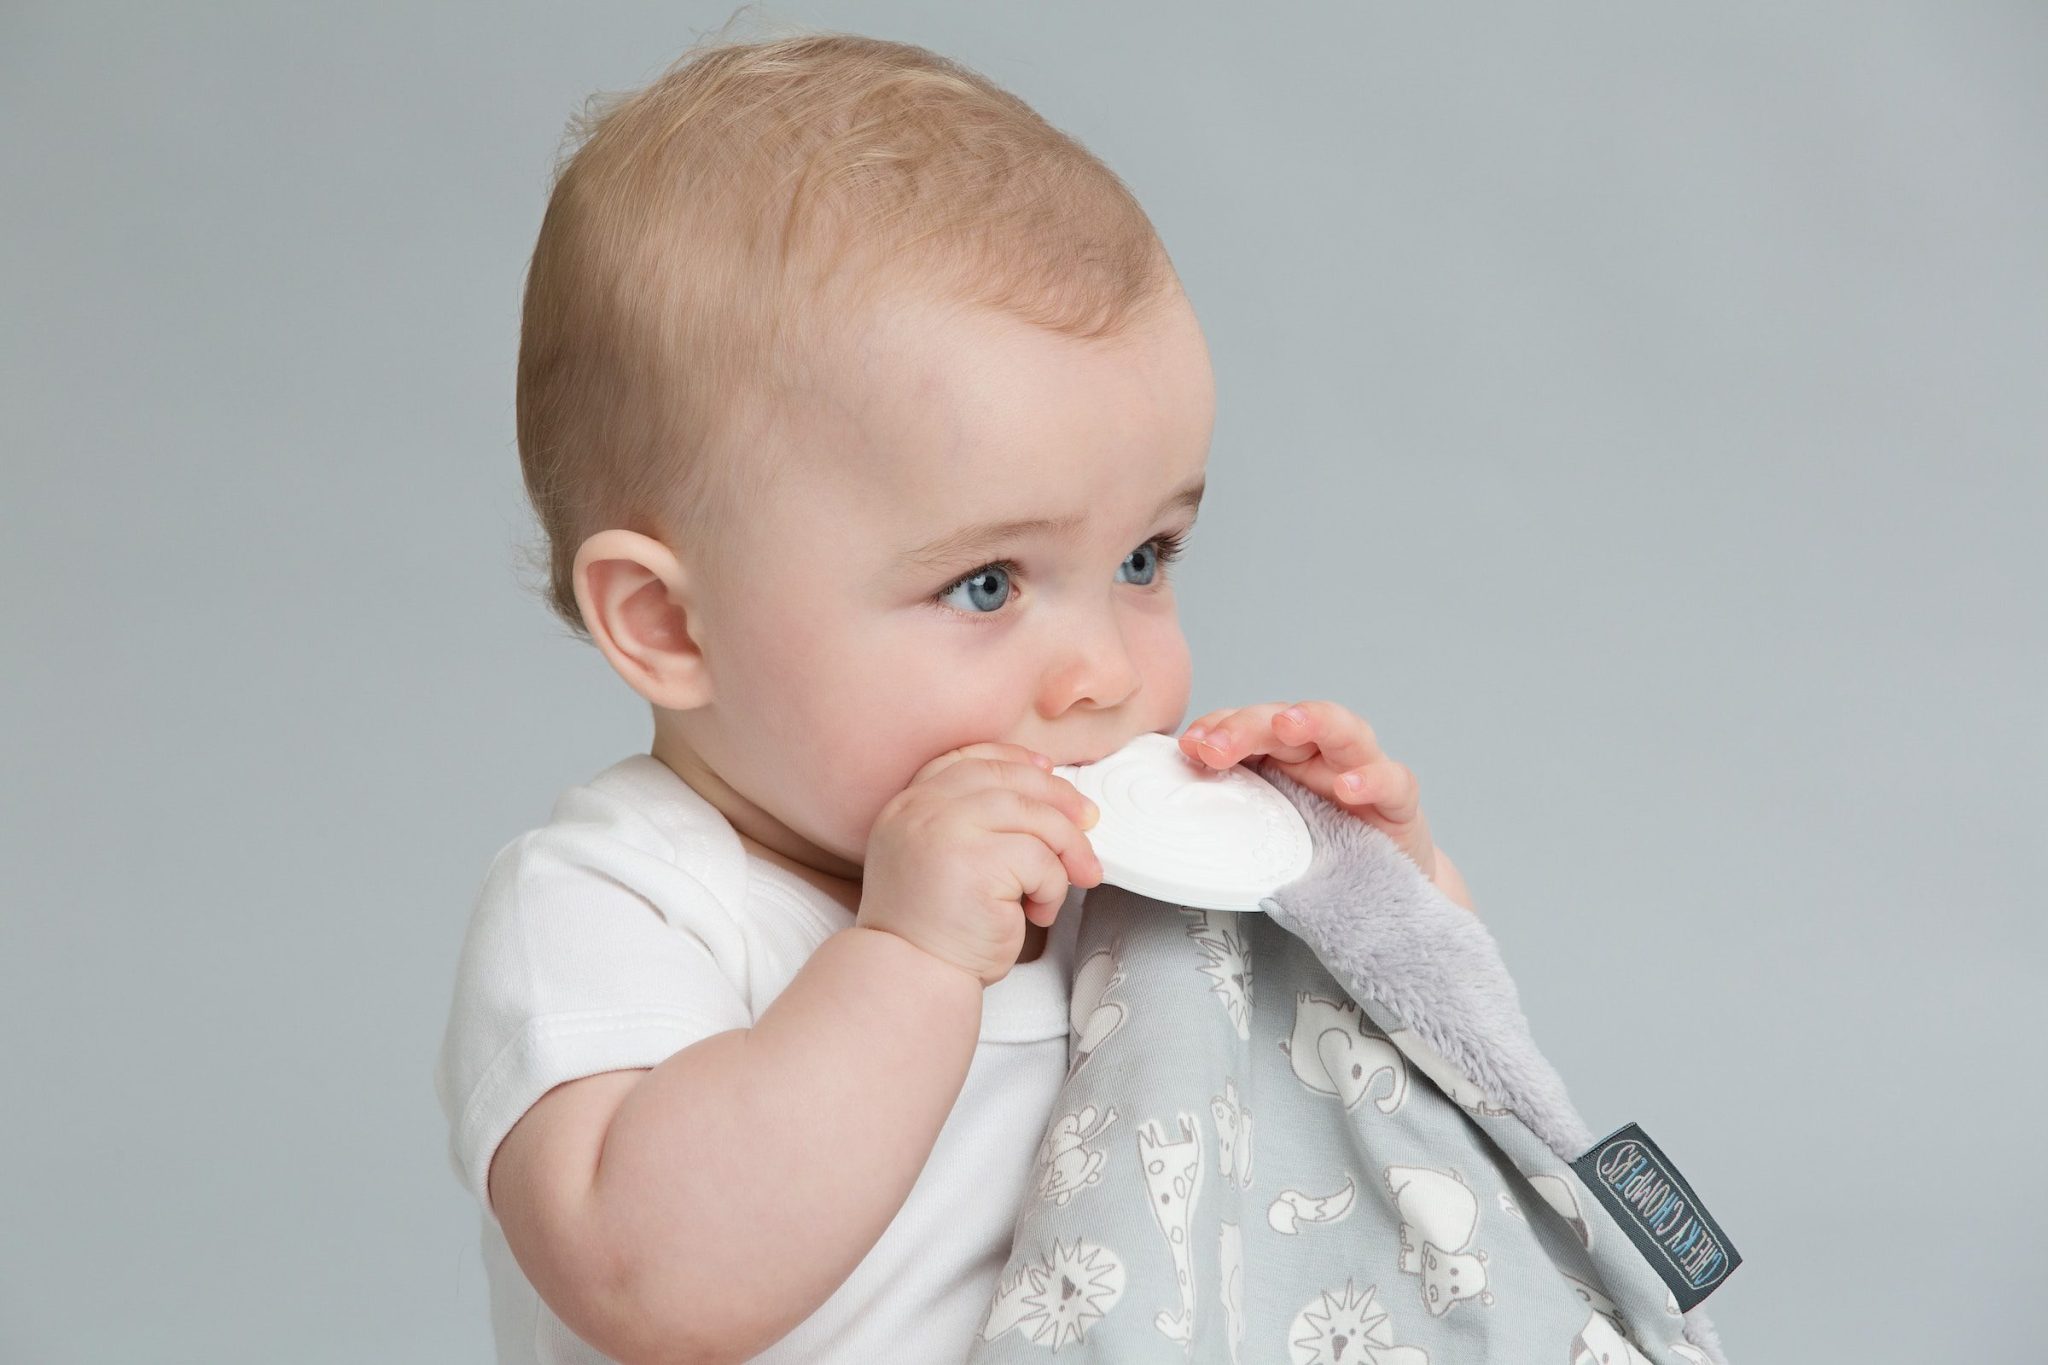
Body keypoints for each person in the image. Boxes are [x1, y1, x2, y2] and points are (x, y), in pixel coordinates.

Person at [434, 27, 1473, 1365]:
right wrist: (910, 957)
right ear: (669, 624)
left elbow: (1398, 1110)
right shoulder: (615, 906)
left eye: (1145, 559)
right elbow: (653, 1283)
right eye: (987, 586)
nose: (1107, 671)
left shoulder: (1125, 884)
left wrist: (1383, 891)